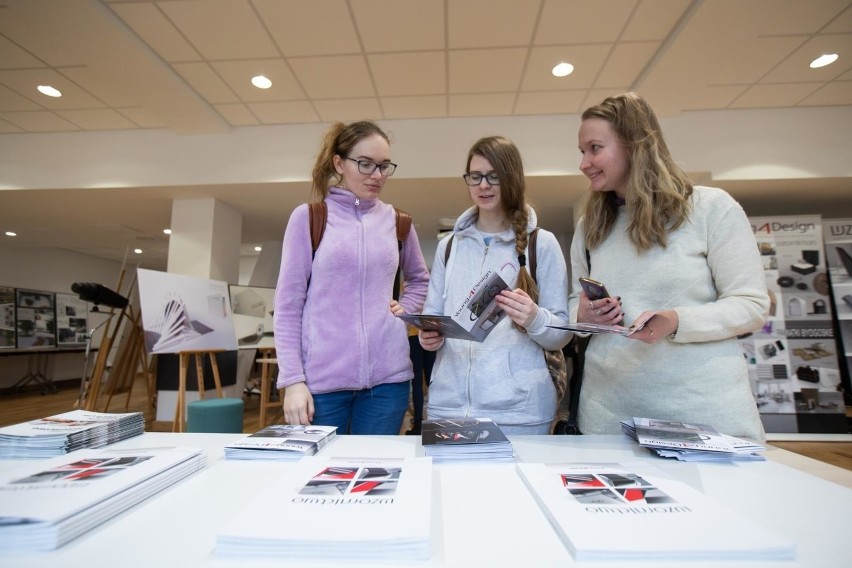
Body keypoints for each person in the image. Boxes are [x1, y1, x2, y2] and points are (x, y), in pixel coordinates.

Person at [570, 92, 769, 442]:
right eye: (582, 152)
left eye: (595, 148)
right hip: (608, 418)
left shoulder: (711, 208)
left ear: (634, 145)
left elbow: (751, 306)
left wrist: (677, 321)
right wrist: (584, 316)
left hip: (704, 417)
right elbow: (574, 302)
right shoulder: (591, 226)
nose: (585, 163)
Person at [273, 120, 429, 435]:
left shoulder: (398, 222)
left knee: (374, 476)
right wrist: (292, 381)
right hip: (322, 386)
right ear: (339, 163)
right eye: (365, 164)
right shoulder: (309, 218)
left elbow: (420, 279)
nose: (377, 175)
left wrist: (402, 312)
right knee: (318, 479)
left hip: (388, 384)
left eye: (384, 166)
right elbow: (288, 306)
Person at [419, 136, 572, 435]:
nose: (483, 185)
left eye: (493, 176)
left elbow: (561, 335)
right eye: (475, 177)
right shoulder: (449, 247)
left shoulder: (542, 244)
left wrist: (534, 318)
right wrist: (429, 337)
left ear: (511, 178)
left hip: (519, 412)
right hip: (448, 407)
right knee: (449, 484)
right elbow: (433, 315)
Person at [406, 321, 435, 435]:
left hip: (415, 335)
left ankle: (418, 423)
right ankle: (432, 420)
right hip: (430, 334)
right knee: (430, 380)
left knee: (417, 381)